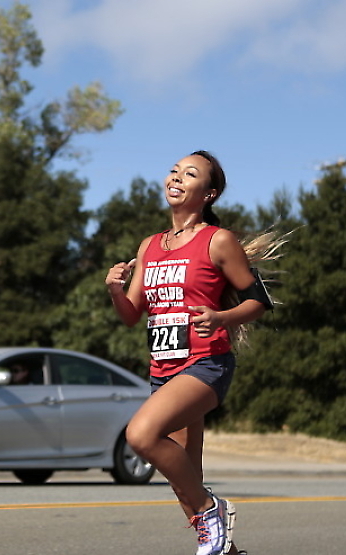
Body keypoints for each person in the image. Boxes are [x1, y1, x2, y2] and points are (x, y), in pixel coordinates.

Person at [105, 150, 267, 555]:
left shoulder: (218, 240)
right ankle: (225, 548)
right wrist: (115, 290)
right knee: (184, 482)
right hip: (163, 368)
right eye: (174, 171)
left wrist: (222, 317)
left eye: (190, 174)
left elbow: (258, 301)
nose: (176, 177)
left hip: (206, 363)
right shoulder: (150, 246)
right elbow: (131, 314)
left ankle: (212, 509)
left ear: (208, 194)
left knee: (141, 435)